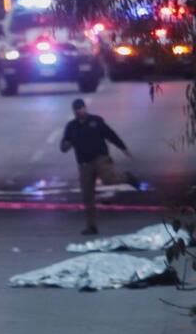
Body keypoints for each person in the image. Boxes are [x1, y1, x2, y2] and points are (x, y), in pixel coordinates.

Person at [60, 98, 141, 235]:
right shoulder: (71, 126)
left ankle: (128, 177)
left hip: (100, 158)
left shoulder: (96, 121)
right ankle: (91, 226)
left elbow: (110, 134)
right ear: (74, 111)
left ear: (85, 108)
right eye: (78, 109)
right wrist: (66, 145)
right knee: (87, 196)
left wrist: (123, 148)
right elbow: (64, 145)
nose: (80, 111)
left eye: (82, 108)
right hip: (84, 164)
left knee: (108, 179)